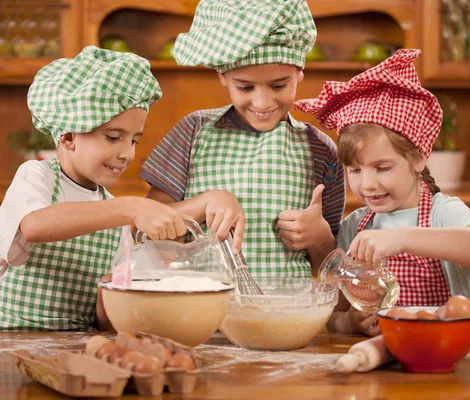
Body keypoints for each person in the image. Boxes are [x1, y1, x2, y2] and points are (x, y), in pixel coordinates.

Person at [294, 48, 470, 336]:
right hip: (381, 361)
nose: (367, 184)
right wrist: (347, 323)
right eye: (355, 170)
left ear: (418, 158)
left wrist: (402, 238)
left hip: (441, 348)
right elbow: (335, 311)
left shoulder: (441, 211)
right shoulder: (355, 226)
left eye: (382, 168)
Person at [0, 46, 188, 331]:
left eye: (134, 141)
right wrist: (130, 207)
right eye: (114, 137)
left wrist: (123, 293)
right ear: (68, 136)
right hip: (17, 341)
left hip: (80, 350)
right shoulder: (37, 176)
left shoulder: (113, 211)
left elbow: (105, 316)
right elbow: (34, 226)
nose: (127, 154)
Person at [141, 0, 346, 278]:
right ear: (223, 76)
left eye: (279, 85)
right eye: (245, 86)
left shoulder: (321, 149)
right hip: (200, 312)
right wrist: (206, 202)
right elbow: (146, 230)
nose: (262, 102)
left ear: (299, 73)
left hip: (286, 314)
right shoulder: (193, 131)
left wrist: (320, 237)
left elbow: (331, 271)